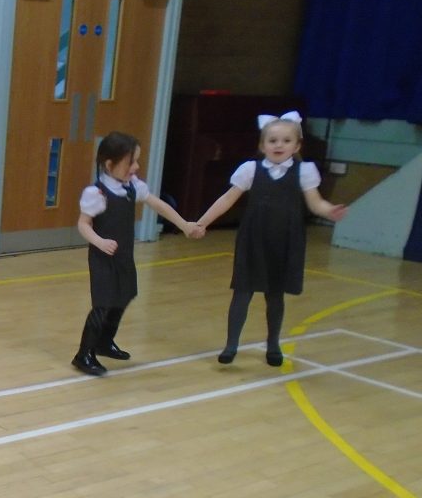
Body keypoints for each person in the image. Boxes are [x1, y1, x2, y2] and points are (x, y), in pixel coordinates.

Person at [195, 112, 348, 366]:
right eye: (273, 140)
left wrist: (330, 210)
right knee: (242, 292)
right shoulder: (250, 170)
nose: (279, 145)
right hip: (253, 239)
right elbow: (227, 199)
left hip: (284, 241)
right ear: (262, 145)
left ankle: (273, 344)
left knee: (275, 296)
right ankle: (231, 345)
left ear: (297, 146)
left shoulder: (304, 171)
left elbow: (315, 202)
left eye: (286, 141)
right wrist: (202, 222)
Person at [72, 132, 202, 376]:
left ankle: (104, 342)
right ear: (109, 165)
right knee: (103, 303)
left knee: (124, 295)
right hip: (103, 258)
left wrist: (184, 225)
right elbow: (83, 224)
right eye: (130, 162)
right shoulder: (96, 193)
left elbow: (158, 204)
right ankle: (84, 354)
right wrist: (99, 242)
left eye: (137, 161)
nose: (136, 167)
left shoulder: (133, 187)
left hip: (124, 255)